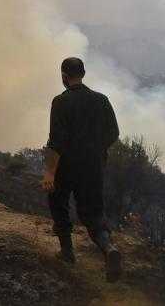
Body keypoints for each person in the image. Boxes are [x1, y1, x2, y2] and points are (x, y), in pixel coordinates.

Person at [41, 57, 122, 282]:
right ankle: (109, 249)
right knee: (93, 213)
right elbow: (113, 133)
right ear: (83, 73)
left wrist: (49, 173)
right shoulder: (101, 100)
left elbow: (55, 141)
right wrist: (96, 151)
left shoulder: (60, 101)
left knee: (58, 203)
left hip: (66, 167)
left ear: (64, 76)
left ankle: (67, 253)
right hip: (93, 168)